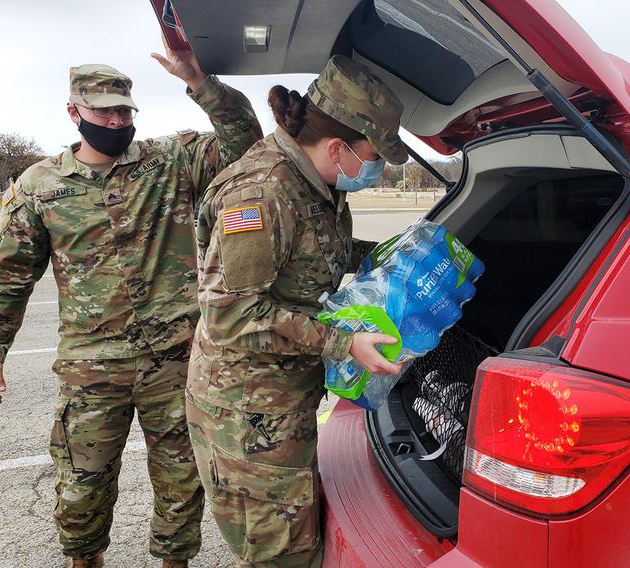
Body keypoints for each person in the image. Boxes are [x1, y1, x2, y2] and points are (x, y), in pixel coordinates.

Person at [0, 42, 263, 568]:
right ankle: (85, 560)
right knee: (81, 484)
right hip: (91, 365)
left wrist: (200, 82)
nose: (114, 118)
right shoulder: (39, 187)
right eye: (102, 109)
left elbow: (244, 142)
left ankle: (176, 561)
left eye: (124, 110)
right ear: (74, 112)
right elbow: (11, 274)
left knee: (182, 480)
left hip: (174, 360)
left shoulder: (170, 160)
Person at [186, 55, 406, 567]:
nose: (374, 170)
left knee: (301, 536)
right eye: (373, 156)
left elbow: (312, 252)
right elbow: (231, 315)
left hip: (280, 399)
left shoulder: (315, 180)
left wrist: (382, 255)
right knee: (284, 557)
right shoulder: (262, 194)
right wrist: (341, 342)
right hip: (247, 412)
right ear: (337, 147)